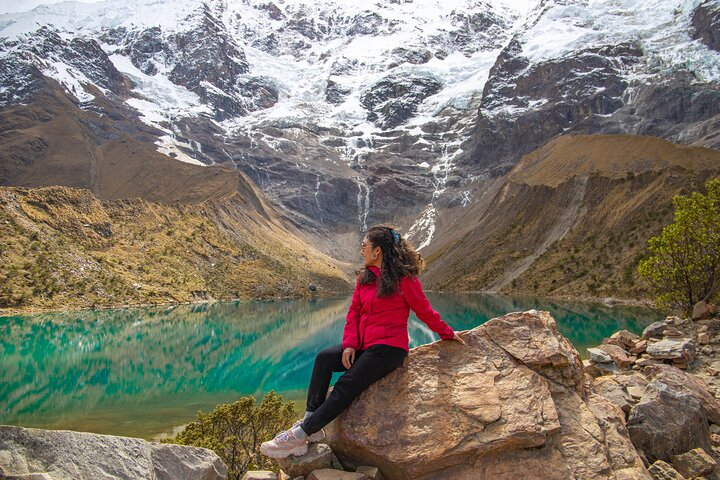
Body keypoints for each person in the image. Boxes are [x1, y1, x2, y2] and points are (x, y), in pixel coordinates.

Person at [260, 225, 466, 458]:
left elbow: (425, 311)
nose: (362, 250)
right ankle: (311, 423)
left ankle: (299, 435)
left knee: (346, 384)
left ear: (377, 251)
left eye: (365, 246)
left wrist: (448, 333)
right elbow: (354, 312)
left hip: (389, 349)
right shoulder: (365, 278)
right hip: (365, 346)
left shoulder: (404, 281)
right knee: (324, 358)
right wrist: (349, 344)